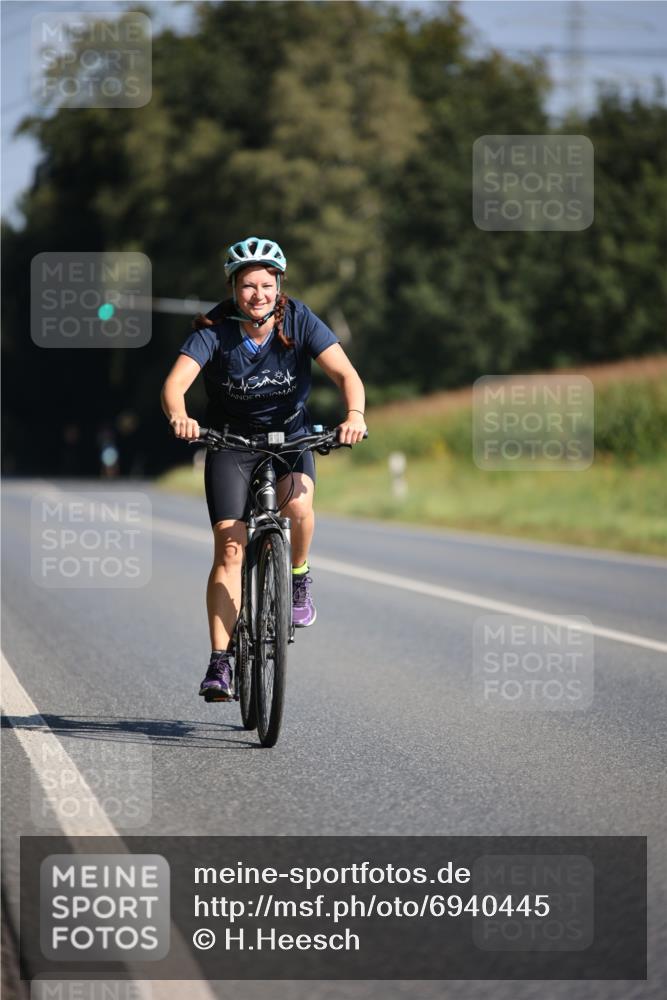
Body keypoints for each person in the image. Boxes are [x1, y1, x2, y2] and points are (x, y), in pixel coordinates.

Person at [161, 236, 367, 700]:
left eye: (266, 284)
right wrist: (180, 415)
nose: (258, 294)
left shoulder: (299, 320)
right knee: (230, 549)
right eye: (248, 285)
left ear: (279, 286)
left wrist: (354, 415)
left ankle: (298, 579)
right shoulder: (213, 330)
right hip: (231, 443)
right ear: (234, 289)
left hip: (291, 438)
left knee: (299, 505)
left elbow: (346, 375)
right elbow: (175, 384)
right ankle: (220, 663)